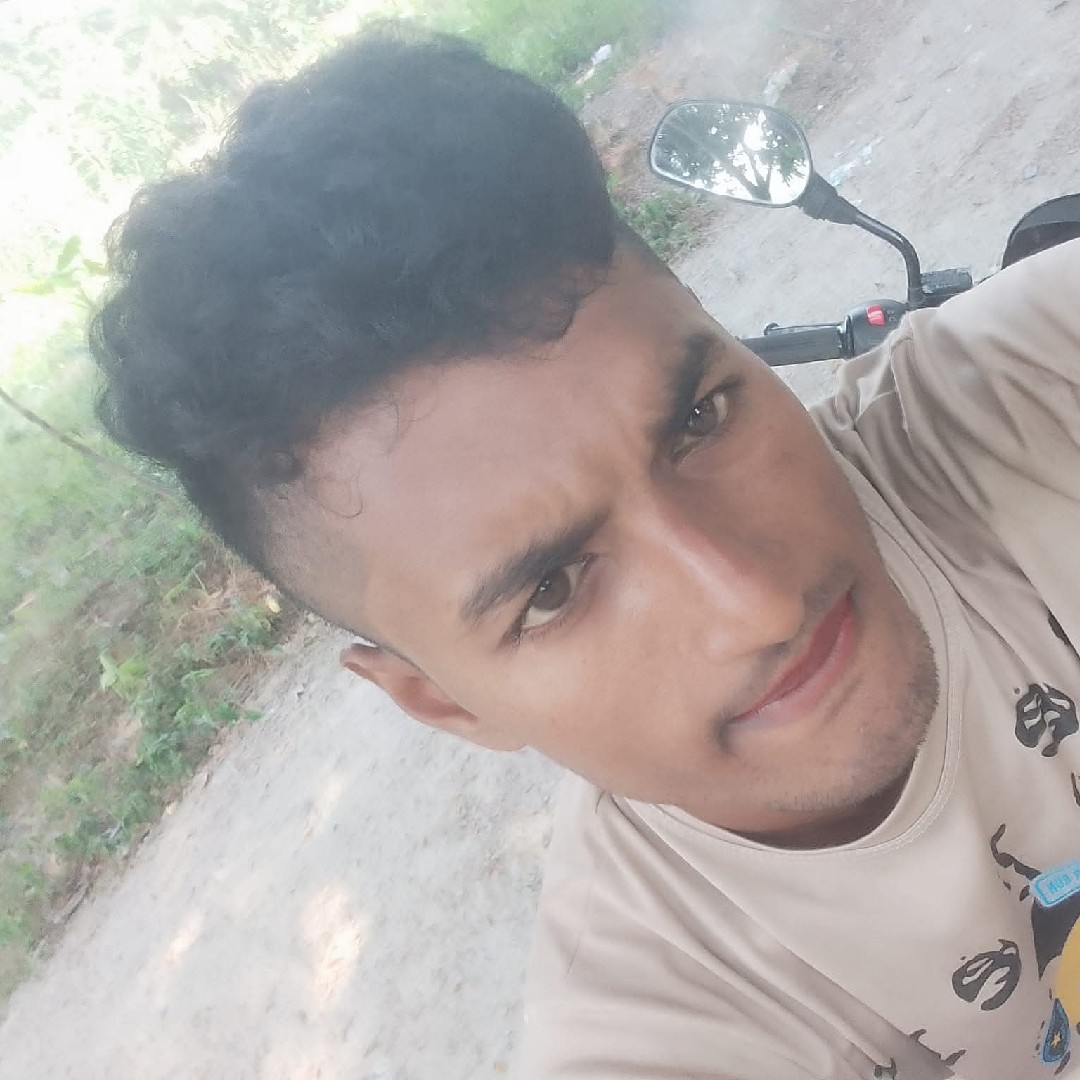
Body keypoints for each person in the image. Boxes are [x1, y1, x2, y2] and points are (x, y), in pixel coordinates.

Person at [90, 24, 1080, 1080]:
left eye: (699, 419)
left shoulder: (1031, 384)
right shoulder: (656, 1026)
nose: (756, 604)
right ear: (442, 702)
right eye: (553, 589)